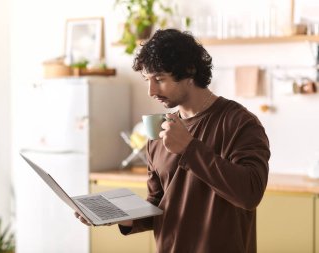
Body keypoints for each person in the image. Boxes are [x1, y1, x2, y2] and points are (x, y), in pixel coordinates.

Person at [75, 28, 270, 253]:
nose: (151, 90)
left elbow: (250, 193)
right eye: (148, 80)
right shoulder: (159, 130)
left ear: (189, 72)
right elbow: (159, 205)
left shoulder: (239, 122)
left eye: (159, 79)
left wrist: (189, 148)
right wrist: (119, 216)